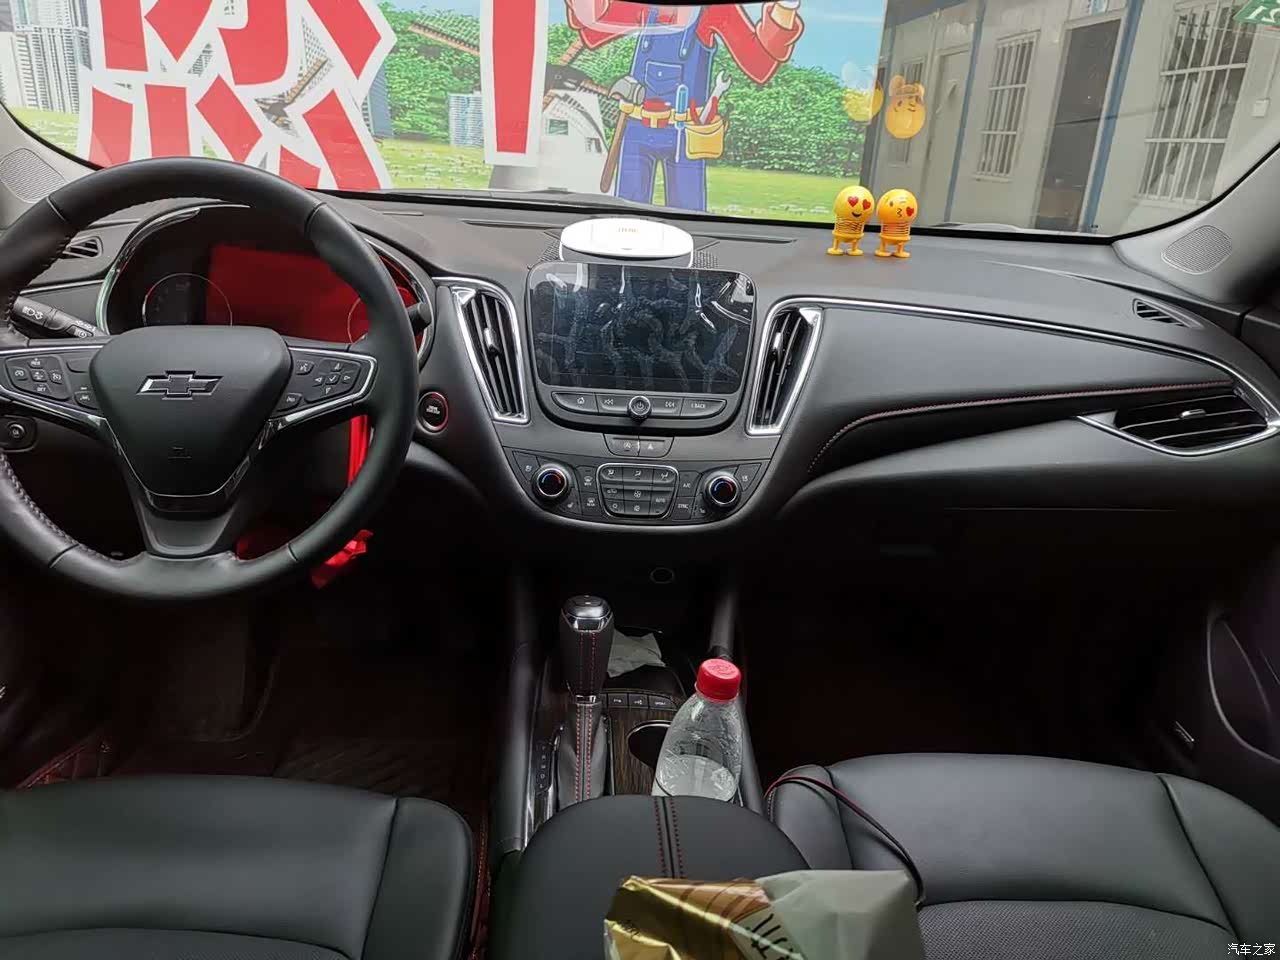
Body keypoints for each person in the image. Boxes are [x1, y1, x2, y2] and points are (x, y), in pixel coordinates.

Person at [567, 2, 803, 211]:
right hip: (636, 129)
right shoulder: (642, 7)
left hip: (686, 135)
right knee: (625, 217)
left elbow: (759, 64)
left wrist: (785, 9)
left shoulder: (716, 10)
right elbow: (593, 31)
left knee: (689, 218)